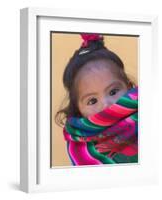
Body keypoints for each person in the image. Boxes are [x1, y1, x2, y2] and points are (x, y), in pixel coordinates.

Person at [55, 33, 138, 165]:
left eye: (113, 91)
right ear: (78, 109)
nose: (106, 105)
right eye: (92, 101)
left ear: (129, 87)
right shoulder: (80, 145)